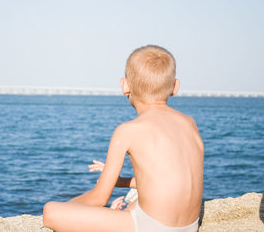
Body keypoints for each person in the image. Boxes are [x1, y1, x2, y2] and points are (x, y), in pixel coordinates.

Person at [43, 45, 204, 232]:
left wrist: (72, 206)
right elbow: (167, 181)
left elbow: (99, 198)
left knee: (51, 211)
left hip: (152, 227)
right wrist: (120, 181)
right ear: (175, 87)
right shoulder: (189, 123)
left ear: (124, 85)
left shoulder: (127, 130)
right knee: (139, 198)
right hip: (189, 226)